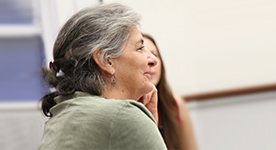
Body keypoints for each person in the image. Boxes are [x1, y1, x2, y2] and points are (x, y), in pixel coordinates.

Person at [38, 3, 167, 150]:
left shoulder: (64, 111)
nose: (153, 60)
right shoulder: (123, 115)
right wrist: (143, 123)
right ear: (106, 61)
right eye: (140, 48)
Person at [143, 33, 198, 150]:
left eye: (155, 55)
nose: (152, 62)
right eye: (142, 55)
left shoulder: (175, 104)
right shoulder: (123, 109)